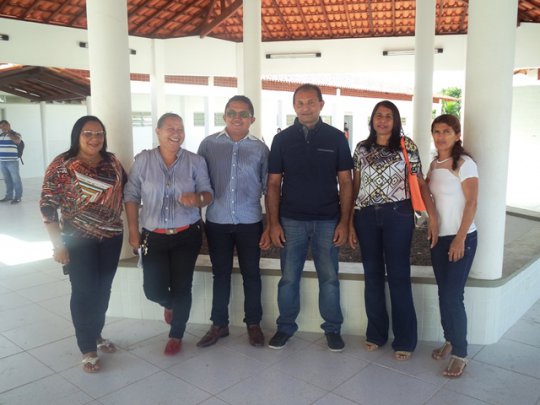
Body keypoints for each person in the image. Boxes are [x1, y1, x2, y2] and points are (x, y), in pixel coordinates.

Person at [267, 83, 353, 351]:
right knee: (288, 278)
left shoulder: (336, 138)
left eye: (311, 102)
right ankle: (285, 327)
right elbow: (273, 184)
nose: (305, 108)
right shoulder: (282, 140)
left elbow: (346, 182)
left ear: (321, 105)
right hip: (291, 220)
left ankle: (333, 329)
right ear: (294, 107)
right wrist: (273, 223)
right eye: (300, 103)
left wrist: (344, 222)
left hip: (328, 220)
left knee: (329, 278)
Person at [349, 100, 437, 361]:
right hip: (365, 216)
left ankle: (405, 339)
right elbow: (355, 185)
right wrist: (349, 219)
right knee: (372, 275)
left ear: (395, 120)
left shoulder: (406, 146)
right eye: (379, 115)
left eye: (388, 116)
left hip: (398, 214)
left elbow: (420, 182)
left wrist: (432, 216)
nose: (383, 120)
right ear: (372, 119)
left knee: (399, 275)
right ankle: (376, 333)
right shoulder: (361, 148)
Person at [40, 115, 126, 373]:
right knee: (84, 290)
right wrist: (58, 245)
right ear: (77, 135)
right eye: (88, 133)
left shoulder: (112, 162)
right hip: (77, 239)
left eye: (99, 133)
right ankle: (87, 347)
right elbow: (47, 206)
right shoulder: (62, 165)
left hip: (111, 237)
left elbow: (127, 192)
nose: (94, 138)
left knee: (103, 289)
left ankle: (96, 334)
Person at [124, 112, 213, 356]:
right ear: (158, 132)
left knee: (183, 286)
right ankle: (170, 304)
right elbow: (131, 195)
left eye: (180, 129)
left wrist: (197, 199)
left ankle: (176, 334)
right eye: (170, 128)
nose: (176, 133)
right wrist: (133, 230)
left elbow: (208, 193)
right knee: (153, 290)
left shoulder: (195, 161)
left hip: (187, 234)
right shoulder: (143, 160)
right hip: (153, 236)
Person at [197, 95, 270, 348]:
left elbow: (269, 187)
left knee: (252, 274)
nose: (237, 118)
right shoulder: (208, 145)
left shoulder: (260, 149)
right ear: (224, 116)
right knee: (221, 274)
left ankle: (254, 324)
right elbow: (198, 182)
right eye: (232, 113)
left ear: (252, 119)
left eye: (243, 114)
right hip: (217, 221)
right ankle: (219, 324)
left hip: (250, 221)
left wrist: (270, 225)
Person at [427, 114, 478, 378]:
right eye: (437, 131)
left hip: (462, 237)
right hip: (440, 238)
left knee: (452, 296)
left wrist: (460, 238)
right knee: (443, 293)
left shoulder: (465, 164)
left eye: (447, 131)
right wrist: (432, 222)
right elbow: (427, 195)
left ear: (457, 135)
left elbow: (472, 203)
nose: (441, 136)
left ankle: (461, 353)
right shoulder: (434, 164)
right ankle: (450, 339)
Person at [0, 120, 24, 204]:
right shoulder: (1, 135)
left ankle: (18, 197)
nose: (2, 128)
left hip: (12, 161)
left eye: (4, 125)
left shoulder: (16, 134)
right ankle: (9, 196)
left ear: (8, 125)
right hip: (2, 162)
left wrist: (9, 133)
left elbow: (17, 141)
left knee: (16, 180)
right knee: (7, 180)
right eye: (1, 127)